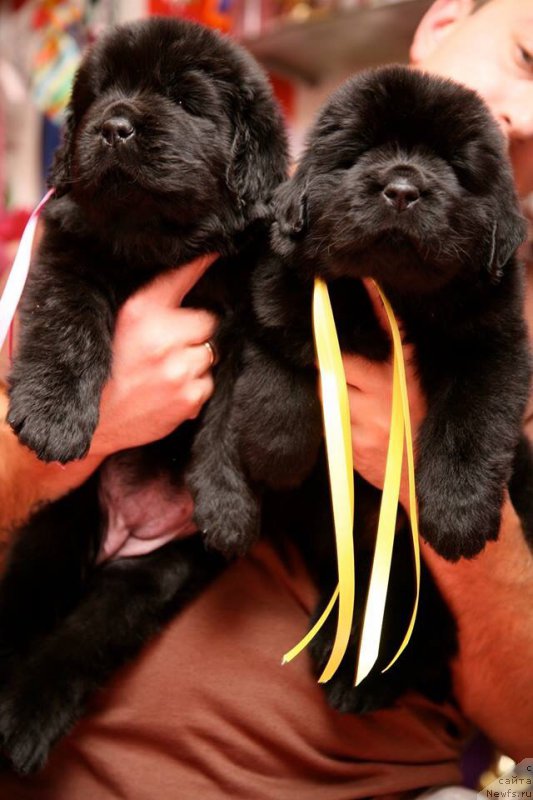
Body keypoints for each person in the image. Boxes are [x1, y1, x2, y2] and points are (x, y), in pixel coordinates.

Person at [0, 0, 531, 796]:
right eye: (527, 58)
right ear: (443, 18)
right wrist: (93, 424)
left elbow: (526, 720)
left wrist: (432, 477)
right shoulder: (157, 220)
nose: (523, 116)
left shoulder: (498, 313)